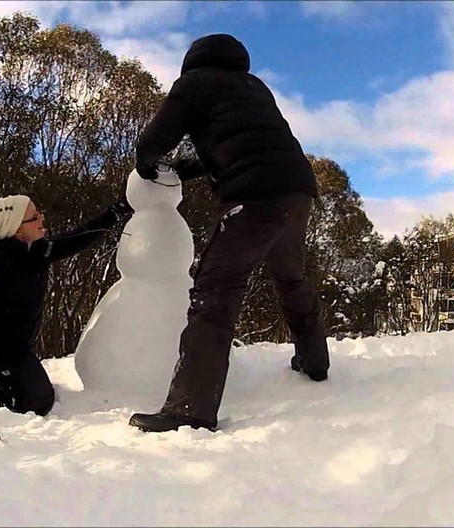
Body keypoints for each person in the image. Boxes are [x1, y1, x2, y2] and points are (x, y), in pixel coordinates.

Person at [128, 33, 330, 433]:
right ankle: (315, 361)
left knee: (214, 290)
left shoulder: (194, 84)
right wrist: (196, 165)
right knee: (291, 277)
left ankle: (190, 409)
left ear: (193, 61)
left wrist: (146, 160)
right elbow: (247, 142)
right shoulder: (255, 87)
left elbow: (159, 135)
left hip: (254, 196)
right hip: (298, 189)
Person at [0, 193, 133, 416]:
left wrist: (116, 212)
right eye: (33, 217)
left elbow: (80, 237)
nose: (41, 218)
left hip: (16, 350)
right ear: (16, 228)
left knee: (39, 402)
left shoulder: (38, 251)